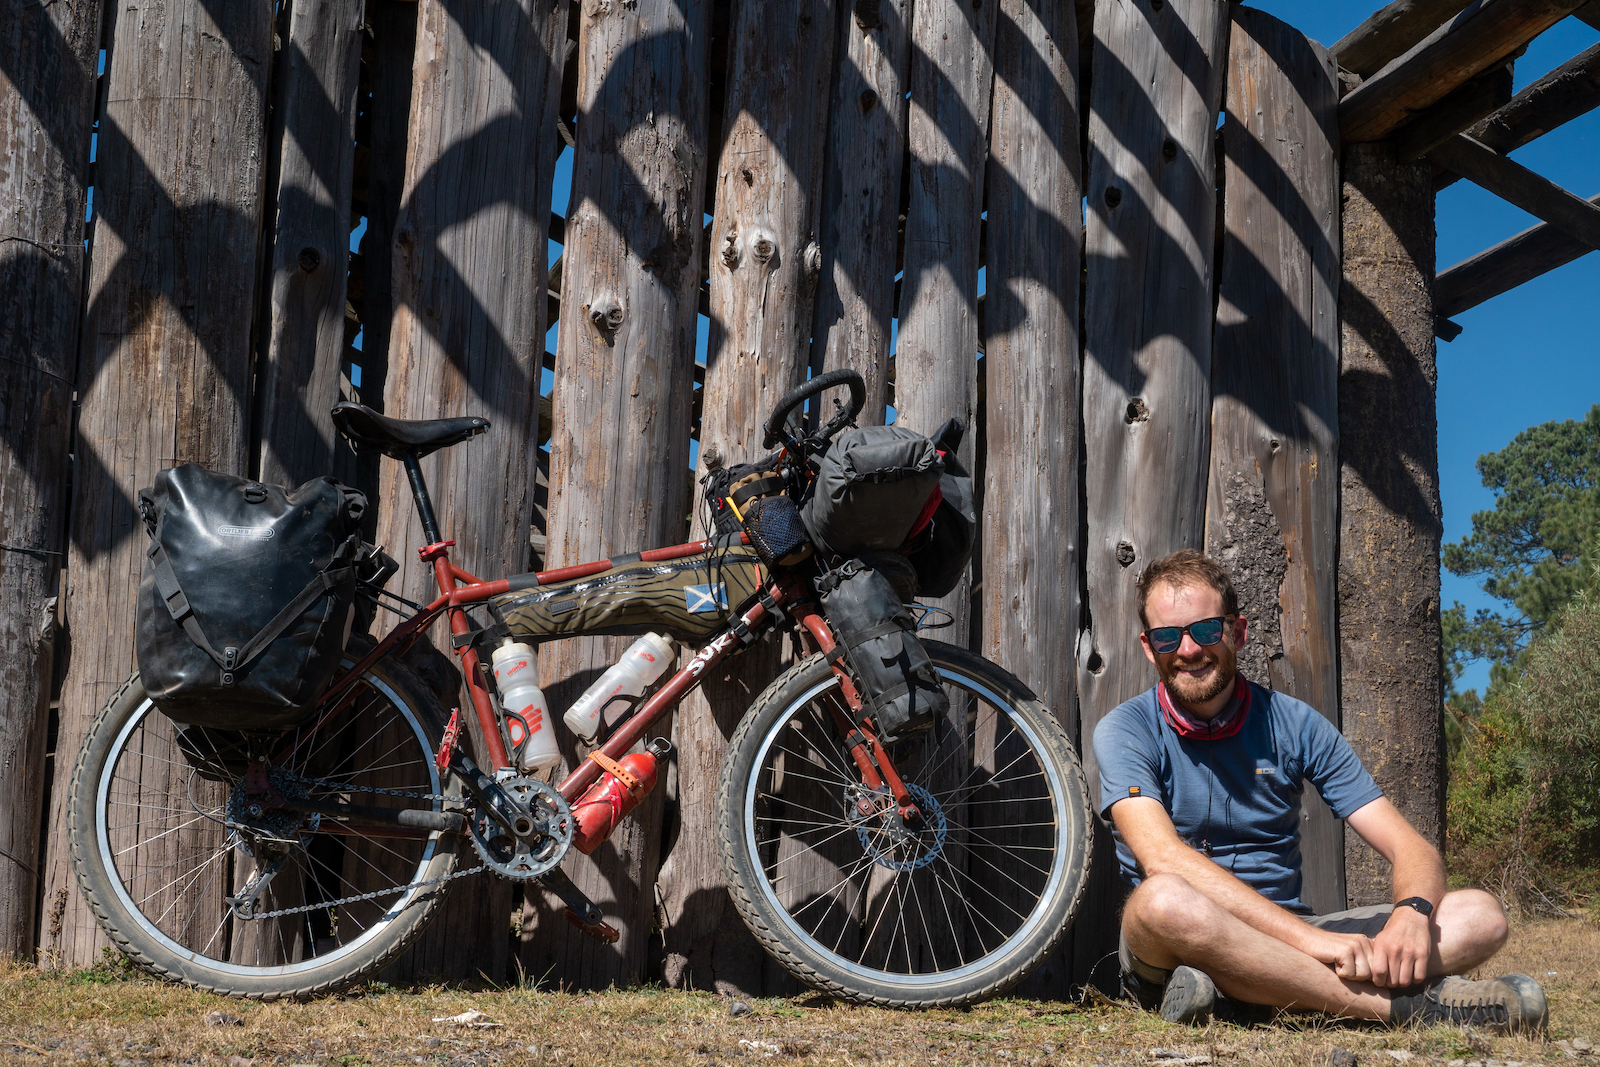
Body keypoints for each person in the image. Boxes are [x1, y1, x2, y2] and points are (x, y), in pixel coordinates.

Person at [1091, 549, 1546, 1032]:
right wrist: (1310, 944)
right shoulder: (1126, 729)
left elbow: (1410, 846)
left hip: (1296, 936)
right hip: (1179, 942)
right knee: (1163, 900)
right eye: (1167, 637)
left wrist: (1411, 917)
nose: (1187, 650)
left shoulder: (1296, 723)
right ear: (1148, 647)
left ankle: (1253, 997)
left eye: (1205, 630)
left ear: (1238, 632)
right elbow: (1162, 857)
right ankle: (1403, 1008)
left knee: (1479, 916)